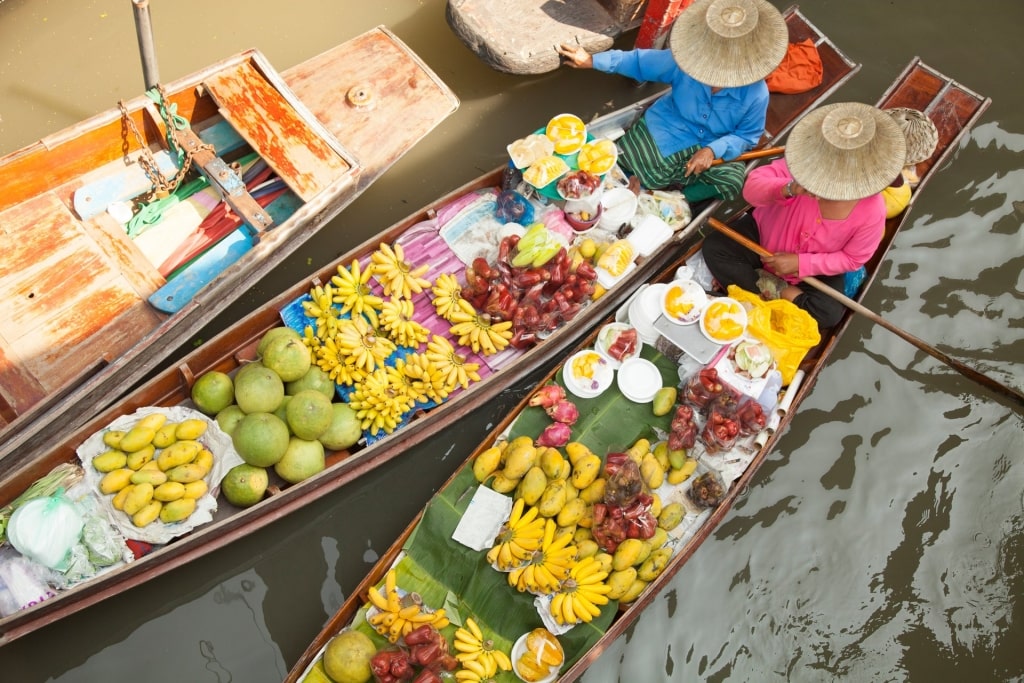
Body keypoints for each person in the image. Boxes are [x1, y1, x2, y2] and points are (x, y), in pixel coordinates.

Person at [555, 0, 788, 205]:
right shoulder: (687, 62)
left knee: (731, 181)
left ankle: (676, 199)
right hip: (668, 127)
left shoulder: (757, 94)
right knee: (628, 163)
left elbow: (747, 138)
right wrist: (592, 60)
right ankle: (653, 188)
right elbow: (639, 61)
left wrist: (712, 149)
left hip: (713, 143)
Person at [700, 101, 908, 328]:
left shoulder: (873, 210)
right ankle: (776, 293)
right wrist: (790, 188)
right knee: (715, 247)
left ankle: (768, 290)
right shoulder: (802, 168)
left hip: (814, 269)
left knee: (828, 315)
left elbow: (852, 259)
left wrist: (801, 263)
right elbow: (752, 189)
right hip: (762, 237)